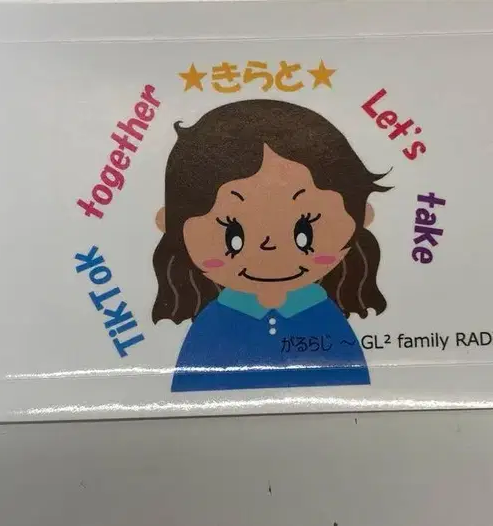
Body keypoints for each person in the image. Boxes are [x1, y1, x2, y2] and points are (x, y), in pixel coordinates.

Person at [152, 99, 390, 393]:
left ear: (362, 216)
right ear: (170, 224)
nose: (269, 247)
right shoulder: (212, 325)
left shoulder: (324, 318)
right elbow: (192, 394)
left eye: (304, 232)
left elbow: (351, 390)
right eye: (234, 237)